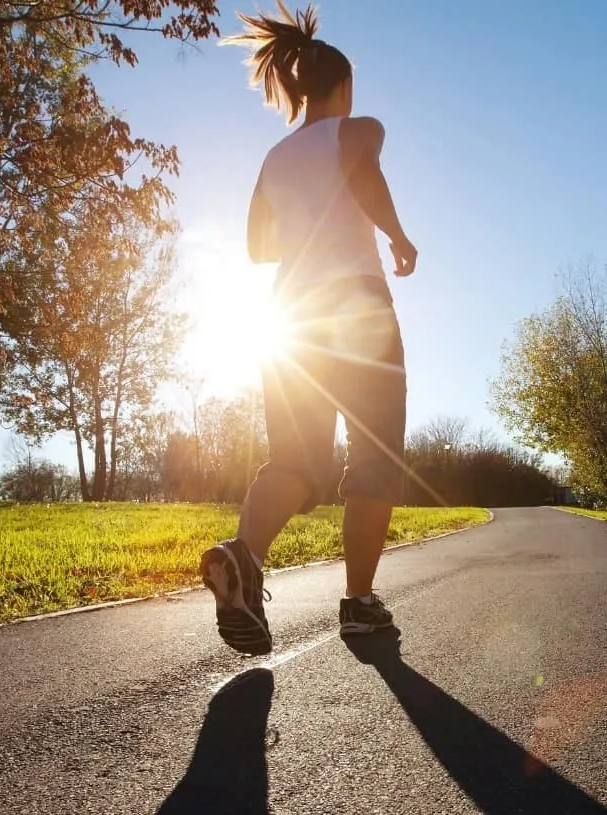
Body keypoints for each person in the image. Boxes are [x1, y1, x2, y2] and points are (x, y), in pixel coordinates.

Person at [201, 1, 418, 655]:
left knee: (296, 460)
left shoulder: (273, 157)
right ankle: (357, 602)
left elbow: (257, 248)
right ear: (344, 88)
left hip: (289, 316)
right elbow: (364, 171)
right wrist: (398, 237)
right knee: (375, 454)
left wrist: (303, 226)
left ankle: (244, 551)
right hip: (357, 309)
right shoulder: (357, 130)